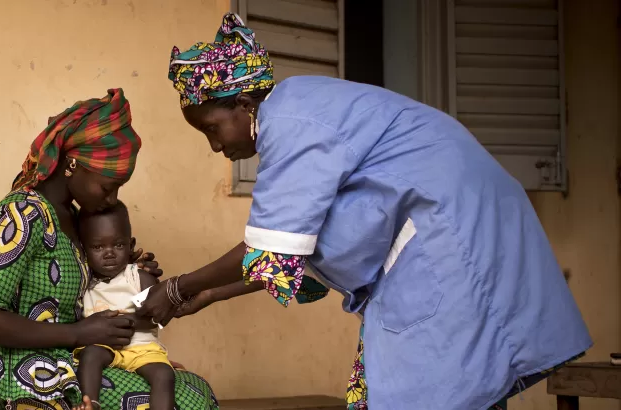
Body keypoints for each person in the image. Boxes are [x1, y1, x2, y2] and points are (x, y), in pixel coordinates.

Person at [138, 13, 592, 410]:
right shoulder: (302, 109)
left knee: (430, 387)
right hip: (459, 233)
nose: (216, 146)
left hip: (450, 240)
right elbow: (299, 250)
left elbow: (270, 246)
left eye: (212, 129)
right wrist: (213, 295)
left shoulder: (290, 122)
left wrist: (178, 289)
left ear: (242, 104)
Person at [0, 89, 218, 410]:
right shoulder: (23, 214)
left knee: (191, 388)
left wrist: (131, 268)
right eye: (108, 186)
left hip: (73, 356)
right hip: (22, 371)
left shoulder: (73, 217)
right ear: (73, 164)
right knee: (185, 402)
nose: (111, 199)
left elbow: (77, 286)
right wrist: (77, 333)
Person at [74, 201, 174, 410]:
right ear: (83, 250)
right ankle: (90, 403)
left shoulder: (138, 277)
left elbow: (152, 318)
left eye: (118, 245)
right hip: (102, 345)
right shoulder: (85, 283)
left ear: (130, 245)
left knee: (163, 374)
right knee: (90, 355)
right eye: (98, 247)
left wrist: (120, 323)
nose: (109, 253)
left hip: (142, 347)